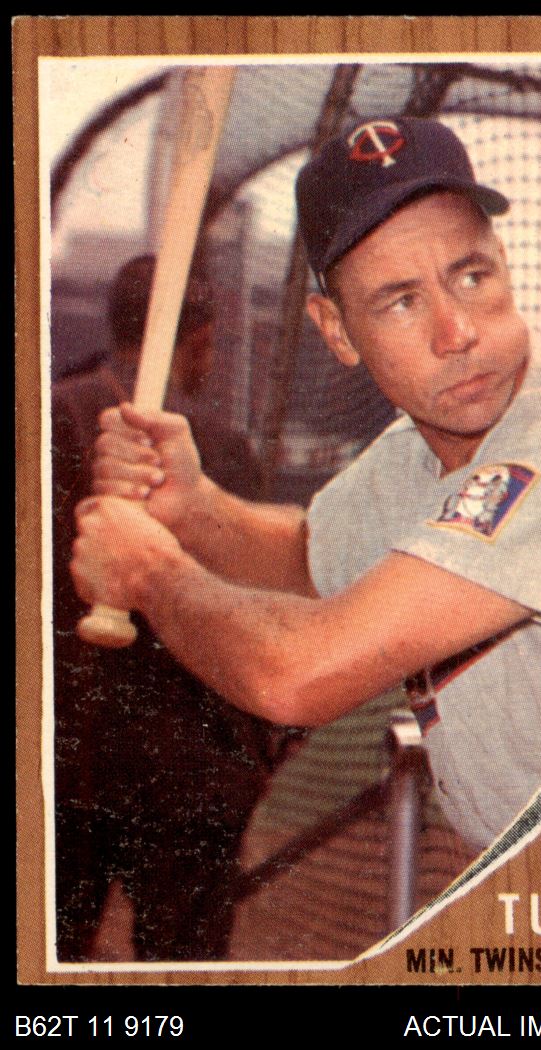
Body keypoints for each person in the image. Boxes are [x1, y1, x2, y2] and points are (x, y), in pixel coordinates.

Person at [70, 118, 541, 854]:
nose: (457, 332)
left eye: (471, 276)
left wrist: (149, 573)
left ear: (505, 265)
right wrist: (194, 509)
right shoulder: (417, 448)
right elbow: (309, 559)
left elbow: (296, 675)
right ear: (337, 331)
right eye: (401, 301)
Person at [53, 256, 278, 961]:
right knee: (183, 969)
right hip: (187, 773)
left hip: (64, 759)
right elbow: (254, 612)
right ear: (200, 338)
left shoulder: (47, 413)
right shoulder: (217, 447)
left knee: (47, 958)